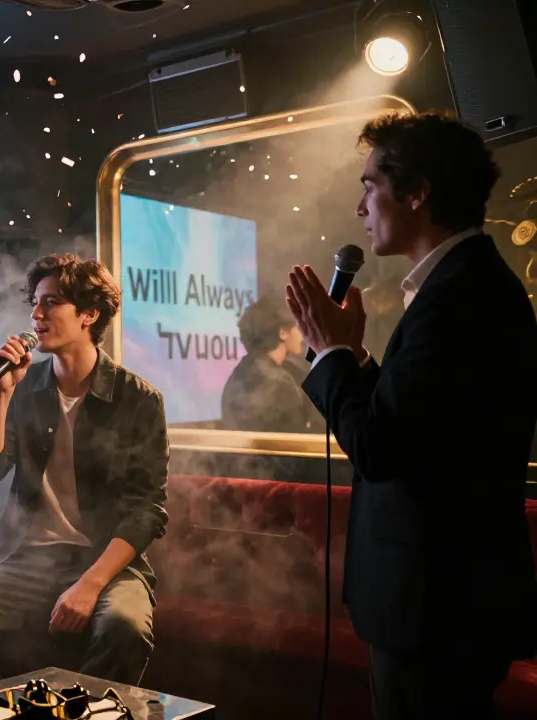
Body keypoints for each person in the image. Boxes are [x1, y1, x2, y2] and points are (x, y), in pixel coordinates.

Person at [286, 112, 537, 720]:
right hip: (442, 601)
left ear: (418, 191)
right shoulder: (462, 283)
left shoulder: (461, 296)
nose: (359, 207)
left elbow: (381, 447)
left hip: (437, 605)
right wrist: (358, 359)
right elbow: (424, 428)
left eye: (370, 184)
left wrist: (333, 355)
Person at [0, 253, 169, 689]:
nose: (36, 315)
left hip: (107, 561)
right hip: (29, 558)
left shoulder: (137, 399)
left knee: (126, 627)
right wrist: (2, 395)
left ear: (89, 314)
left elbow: (146, 511)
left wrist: (89, 584)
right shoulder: (26, 389)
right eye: (35, 303)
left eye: (51, 302)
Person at [221, 296, 320, 433]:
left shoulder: (240, 374)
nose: (302, 336)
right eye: (298, 327)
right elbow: (299, 441)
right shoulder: (281, 384)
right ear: (283, 333)